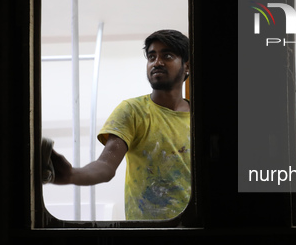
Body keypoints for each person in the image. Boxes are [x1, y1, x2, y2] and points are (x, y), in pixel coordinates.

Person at [43, 29, 191, 220]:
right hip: (147, 232)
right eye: (152, 56)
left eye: (167, 56)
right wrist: (72, 174)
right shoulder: (132, 111)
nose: (157, 62)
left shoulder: (201, 118)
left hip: (193, 228)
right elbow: (105, 166)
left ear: (186, 66)